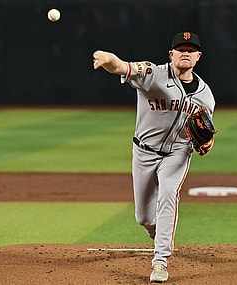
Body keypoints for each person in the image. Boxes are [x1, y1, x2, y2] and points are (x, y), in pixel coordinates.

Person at [93, 31, 216, 283]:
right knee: (144, 217)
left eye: (190, 50)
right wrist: (107, 59)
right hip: (144, 152)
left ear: (198, 57)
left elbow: (207, 131)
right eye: (180, 49)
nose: (185, 53)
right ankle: (156, 231)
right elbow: (121, 67)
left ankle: (160, 261)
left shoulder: (206, 95)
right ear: (171, 54)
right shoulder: (152, 74)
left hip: (177, 153)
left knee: (169, 194)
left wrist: (207, 142)